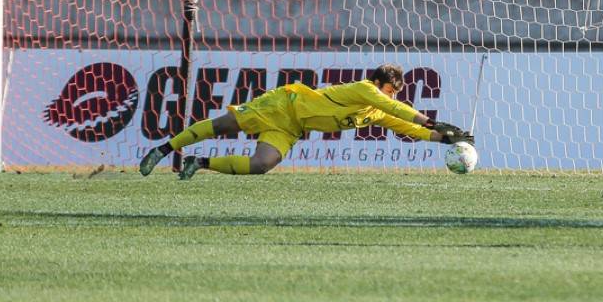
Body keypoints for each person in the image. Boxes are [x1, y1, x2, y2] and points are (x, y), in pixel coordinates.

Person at [139, 63, 473, 179]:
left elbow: (404, 126)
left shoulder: (376, 109)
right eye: (392, 90)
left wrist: (444, 138)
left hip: (291, 126)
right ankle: (164, 149)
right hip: (282, 104)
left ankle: (200, 162)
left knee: (261, 165)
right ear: (381, 84)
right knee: (223, 126)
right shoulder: (365, 89)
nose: (393, 97)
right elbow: (404, 113)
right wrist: (434, 121)